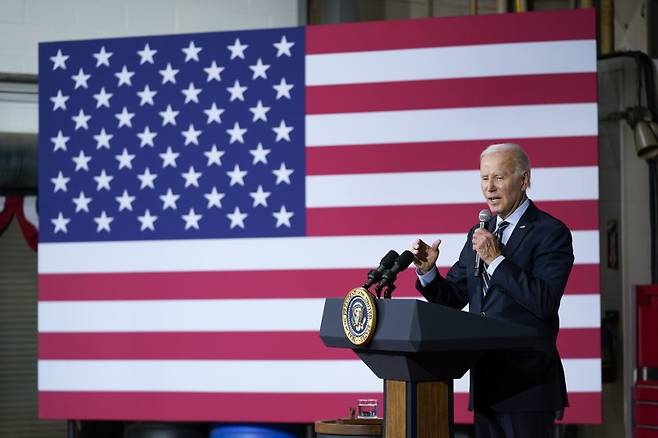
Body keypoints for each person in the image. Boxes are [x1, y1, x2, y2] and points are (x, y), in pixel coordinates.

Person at [411, 143, 574, 438]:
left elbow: (544, 301)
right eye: (484, 178)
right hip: (486, 383)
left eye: (499, 177)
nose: (490, 188)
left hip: (528, 386)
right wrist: (428, 272)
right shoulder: (479, 233)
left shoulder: (551, 232)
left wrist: (496, 261)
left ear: (524, 180)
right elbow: (454, 298)